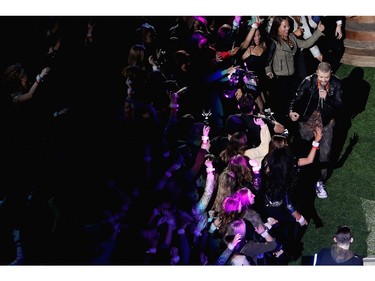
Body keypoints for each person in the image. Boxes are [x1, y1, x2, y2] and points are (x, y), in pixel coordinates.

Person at [289, 62, 343, 199]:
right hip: (307, 121)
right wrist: (291, 111)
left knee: (325, 153)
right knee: (304, 149)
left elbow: (339, 103)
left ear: (331, 73)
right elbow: (297, 98)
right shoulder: (308, 82)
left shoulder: (336, 83)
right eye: (321, 77)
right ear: (316, 72)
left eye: (326, 77)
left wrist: (328, 98)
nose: (323, 80)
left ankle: (320, 181)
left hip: (326, 123)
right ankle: (301, 178)